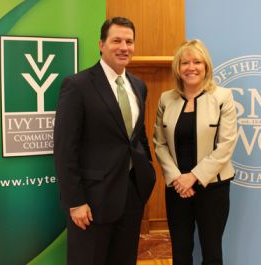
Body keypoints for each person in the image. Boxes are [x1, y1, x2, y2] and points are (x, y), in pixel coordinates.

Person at [54, 17, 156, 265]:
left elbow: (136, 134)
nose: (124, 47)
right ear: (101, 44)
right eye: (116, 40)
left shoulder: (138, 86)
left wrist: (147, 169)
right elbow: (65, 148)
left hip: (131, 195)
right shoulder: (77, 85)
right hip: (92, 200)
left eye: (129, 42)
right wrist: (75, 201)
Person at [153, 39, 237, 265]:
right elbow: (159, 143)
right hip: (177, 187)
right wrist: (177, 178)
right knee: (180, 251)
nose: (191, 67)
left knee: (211, 252)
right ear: (177, 69)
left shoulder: (222, 97)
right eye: (185, 62)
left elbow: (226, 144)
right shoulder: (165, 99)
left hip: (213, 186)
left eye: (197, 62)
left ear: (206, 66)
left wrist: (194, 177)